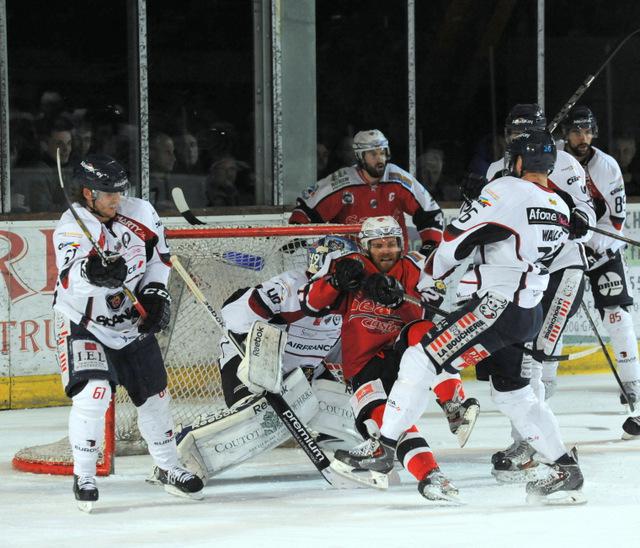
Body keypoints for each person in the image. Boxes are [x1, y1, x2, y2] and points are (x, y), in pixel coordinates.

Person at [352, 131, 587, 505]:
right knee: (513, 394)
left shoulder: (505, 190)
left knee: (421, 357)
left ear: (519, 162)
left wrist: (429, 280)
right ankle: (565, 467)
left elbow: (454, 240)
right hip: (528, 310)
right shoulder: (558, 204)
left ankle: (385, 447)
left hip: (497, 307)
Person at [53, 153, 203, 511]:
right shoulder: (71, 227)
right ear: (88, 193)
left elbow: (160, 260)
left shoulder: (142, 213)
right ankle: (84, 475)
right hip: (85, 324)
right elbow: (68, 279)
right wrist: (93, 274)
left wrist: (155, 293)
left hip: (131, 325)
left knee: (155, 397)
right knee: (94, 394)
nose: (116, 199)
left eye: (120, 191)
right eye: (108, 193)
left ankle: (167, 466)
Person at [300, 216, 480, 500]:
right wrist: (335, 282)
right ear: (366, 246)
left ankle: (454, 405)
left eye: (392, 244)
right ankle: (432, 477)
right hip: (363, 367)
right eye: (378, 244)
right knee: (388, 424)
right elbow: (310, 304)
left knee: (425, 331)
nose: (386, 250)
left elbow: (427, 311)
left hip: (402, 353)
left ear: (401, 244)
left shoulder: (415, 267)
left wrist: (400, 300)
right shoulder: (350, 266)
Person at [462, 104, 596, 481]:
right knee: (521, 360)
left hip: (563, 270)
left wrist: (577, 217)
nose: (520, 140)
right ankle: (535, 443)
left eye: (527, 133)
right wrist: (473, 198)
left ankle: (529, 446)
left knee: (536, 356)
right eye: (514, 133)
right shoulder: (496, 170)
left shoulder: (565, 165)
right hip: (523, 278)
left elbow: (587, 217)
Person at [176, 236, 364, 483]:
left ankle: (351, 444)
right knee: (260, 421)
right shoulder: (291, 285)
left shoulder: (353, 300)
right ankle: (184, 446)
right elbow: (233, 313)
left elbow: (341, 351)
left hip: (304, 374)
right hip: (250, 367)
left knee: (358, 410)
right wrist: (262, 350)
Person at [562, 106, 640, 408]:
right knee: (553, 315)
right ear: (566, 134)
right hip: (563, 251)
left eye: (587, 131)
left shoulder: (607, 167)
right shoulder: (552, 160)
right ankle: (544, 381)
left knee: (617, 315)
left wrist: (591, 246)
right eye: (576, 132)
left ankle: (632, 381)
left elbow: (616, 220)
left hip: (601, 250)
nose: (583, 138)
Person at [290, 129, 444, 254]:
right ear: (360, 156)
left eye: (382, 152)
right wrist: (297, 242)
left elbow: (431, 213)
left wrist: (430, 245)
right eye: (373, 154)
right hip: (352, 265)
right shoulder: (342, 182)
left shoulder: (397, 179)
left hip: (393, 262)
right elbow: (305, 212)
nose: (380, 159)